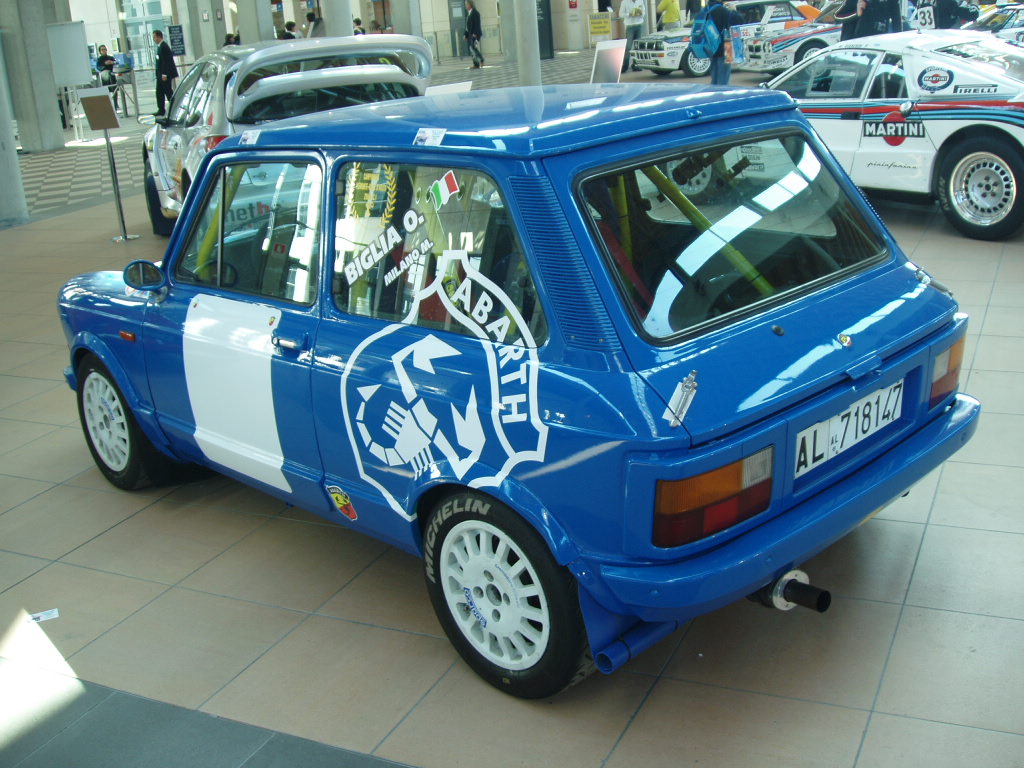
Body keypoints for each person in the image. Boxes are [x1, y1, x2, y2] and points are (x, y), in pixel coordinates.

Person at [152, 29, 178, 117]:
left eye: (154, 37)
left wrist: (164, 74)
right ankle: (161, 109)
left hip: (164, 75)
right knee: (159, 92)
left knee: (168, 91)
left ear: (159, 37)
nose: (154, 39)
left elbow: (167, 62)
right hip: (160, 75)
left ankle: (174, 108)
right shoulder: (160, 46)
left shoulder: (164, 46)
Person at [707, 0, 734, 85]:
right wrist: (733, 11)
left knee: (714, 78)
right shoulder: (724, 11)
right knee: (724, 79)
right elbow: (735, 25)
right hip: (726, 47)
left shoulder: (706, 10)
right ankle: (721, 96)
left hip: (711, 47)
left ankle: (713, 95)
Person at [619, 0, 645, 73]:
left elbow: (644, 12)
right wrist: (629, 14)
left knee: (637, 47)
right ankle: (624, 66)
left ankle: (636, 65)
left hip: (639, 24)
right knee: (628, 47)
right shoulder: (625, 2)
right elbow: (621, 14)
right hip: (630, 26)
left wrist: (640, 13)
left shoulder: (640, 1)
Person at [95, 44, 120, 111]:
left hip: (112, 75)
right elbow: (98, 67)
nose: (104, 51)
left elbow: (117, 62)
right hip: (105, 77)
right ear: (100, 51)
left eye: (105, 49)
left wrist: (112, 62)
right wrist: (105, 65)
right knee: (107, 91)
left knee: (114, 90)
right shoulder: (99, 59)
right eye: (102, 50)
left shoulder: (110, 57)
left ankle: (116, 104)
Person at [464, 1, 485, 69]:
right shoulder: (469, 14)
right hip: (470, 34)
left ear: (470, 4)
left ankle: (481, 60)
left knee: (473, 47)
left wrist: (475, 33)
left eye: (466, 4)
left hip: (475, 34)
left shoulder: (475, 13)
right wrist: (466, 35)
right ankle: (476, 64)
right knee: (471, 48)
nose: (466, 6)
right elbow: (467, 27)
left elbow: (477, 24)